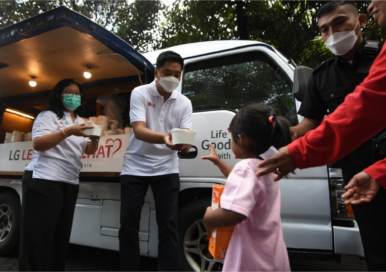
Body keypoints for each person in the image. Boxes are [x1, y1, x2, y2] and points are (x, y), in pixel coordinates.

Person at [256, 1, 386, 270]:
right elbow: (310, 125)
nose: (332, 33)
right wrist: (276, 134)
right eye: (324, 29)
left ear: (361, 21)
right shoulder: (320, 76)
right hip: (357, 173)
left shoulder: (380, 57)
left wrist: (298, 153)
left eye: (339, 23)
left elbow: (363, 108)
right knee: (376, 249)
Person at [119, 51, 192, 271]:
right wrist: (164, 137)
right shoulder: (140, 93)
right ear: (156, 72)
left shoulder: (185, 102)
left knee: (169, 225)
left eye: (177, 74)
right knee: (129, 225)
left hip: (167, 168)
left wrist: (184, 143)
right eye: (167, 72)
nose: (173, 78)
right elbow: (139, 130)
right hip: (135, 167)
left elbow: (185, 133)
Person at [18, 79, 99, 271]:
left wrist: (95, 139)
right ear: (58, 95)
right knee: (38, 240)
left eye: (77, 93)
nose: (73, 96)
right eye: (68, 92)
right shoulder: (48, 116)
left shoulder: (81, 122)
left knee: (60, 238)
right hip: (44, 179)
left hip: (69, 181)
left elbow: (88, 151)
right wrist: (68, 131)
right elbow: (38, 144)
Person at [202, 104, 290, 272]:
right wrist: (219, 162)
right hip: (272, 255)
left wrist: (208, 218)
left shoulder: (247, 167)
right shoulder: (268, 165)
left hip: (251, 260)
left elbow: (235, 213)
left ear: (242, 139)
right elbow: (246, 185)